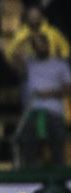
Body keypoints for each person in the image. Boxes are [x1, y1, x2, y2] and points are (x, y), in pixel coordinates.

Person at [11, 33, 71, 167]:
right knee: (28, 145)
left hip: (53, 112)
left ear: (47, 45)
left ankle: (59, 176)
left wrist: (50, 93)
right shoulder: (29, 64)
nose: (39, 47)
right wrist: (23, 39)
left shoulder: (60, 64)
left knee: (57, 146)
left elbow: (68, 89)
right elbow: (14, 59)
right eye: (36, 45)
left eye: (41, 44)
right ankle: (30, 176)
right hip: (31, 112)